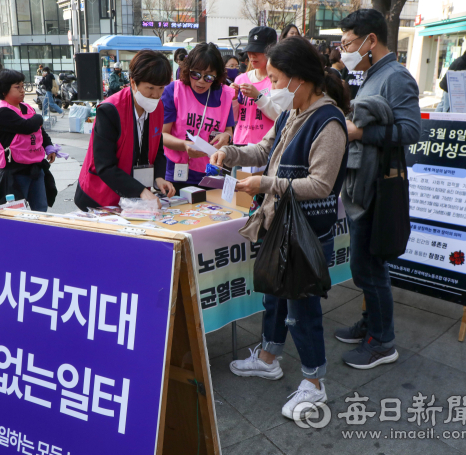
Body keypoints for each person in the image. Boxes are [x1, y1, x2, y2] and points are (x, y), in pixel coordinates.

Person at [211, 36, 350, 419]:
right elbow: (264, 150)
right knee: (274, 293)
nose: (269, 85)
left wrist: (264, 184)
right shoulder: (291, 114)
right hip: (278, 223)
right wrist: (232, 153)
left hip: (304, 231)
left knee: (302, 307)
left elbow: (320, 185)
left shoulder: (329, 122)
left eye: (274, 78)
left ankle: (315, 383)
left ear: (298, 79)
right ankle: (270, 356)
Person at [336, 9, 421, 368]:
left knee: (369, 267)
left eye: (348, 43)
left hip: (378, 189)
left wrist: (359, 133)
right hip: (362, 185)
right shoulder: (371, 74)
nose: (344, 51)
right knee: (365, 265)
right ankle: (373, 324)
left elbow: (412, 132)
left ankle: (383, 342)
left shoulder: (396, 77)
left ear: (371, 40)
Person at [76, 50, 175, 210]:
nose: (156, 95)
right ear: (133, 82)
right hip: (99, 197)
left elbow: (157, 149)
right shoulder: (110, 110)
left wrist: (159, 177)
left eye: (161, 88)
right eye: (150, 88)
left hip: (134, 199)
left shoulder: (159, 107)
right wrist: (140, 190)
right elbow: (105, 166)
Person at [161, 43, 235, 190]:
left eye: (208, 77)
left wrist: (227, 137)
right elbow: (162, 135)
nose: (201, 81)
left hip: (212, 173)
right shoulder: (174, 91)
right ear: (187, 70)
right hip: (177, 173)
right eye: (195, 74)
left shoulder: (224, 94)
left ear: (217, 76)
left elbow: (228, 131)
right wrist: (184, 145)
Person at [0, 69, 57, 212]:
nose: (22, 91)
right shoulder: (3, 112)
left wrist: (49, 147)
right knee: (16, 211)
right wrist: (39, 118)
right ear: (4, 90)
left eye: (22, 86)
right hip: (15, 171)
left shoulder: (26, 108)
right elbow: (28, 127)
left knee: (40, 207)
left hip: (35, 167)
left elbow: (40, 131)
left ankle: (38, 234)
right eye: (17, 87)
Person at [232, 26, 285, 147]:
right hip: (240, 143)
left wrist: (258, 96)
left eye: (257, 52)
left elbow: (280, 115)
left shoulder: (278, 80)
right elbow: (235, 117)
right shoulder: (240, 79)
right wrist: (234, 99)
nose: (252, 56)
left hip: (266, 146)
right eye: (250, 52)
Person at [436, 43, 466, 112]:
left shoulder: (464, 60)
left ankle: (435, 117)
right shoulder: (461, 62)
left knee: (443, 103)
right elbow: (457, 76)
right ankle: (442, 120)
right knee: (446, 106)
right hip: (449, 87)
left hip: (447, 85)